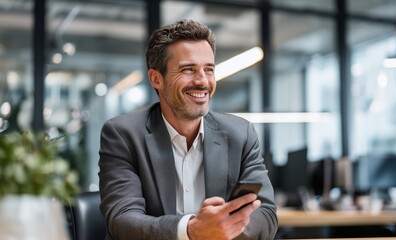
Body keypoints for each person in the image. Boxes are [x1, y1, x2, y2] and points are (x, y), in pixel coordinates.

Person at [98, 19, 278, 240]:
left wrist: (224, 230)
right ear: (156, 78)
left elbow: (267, 213)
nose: (202, 81)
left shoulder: (241, 134)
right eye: (188, 69)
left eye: (209, 69)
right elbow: (122, 219)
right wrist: (191, 230)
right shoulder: (123, 134)